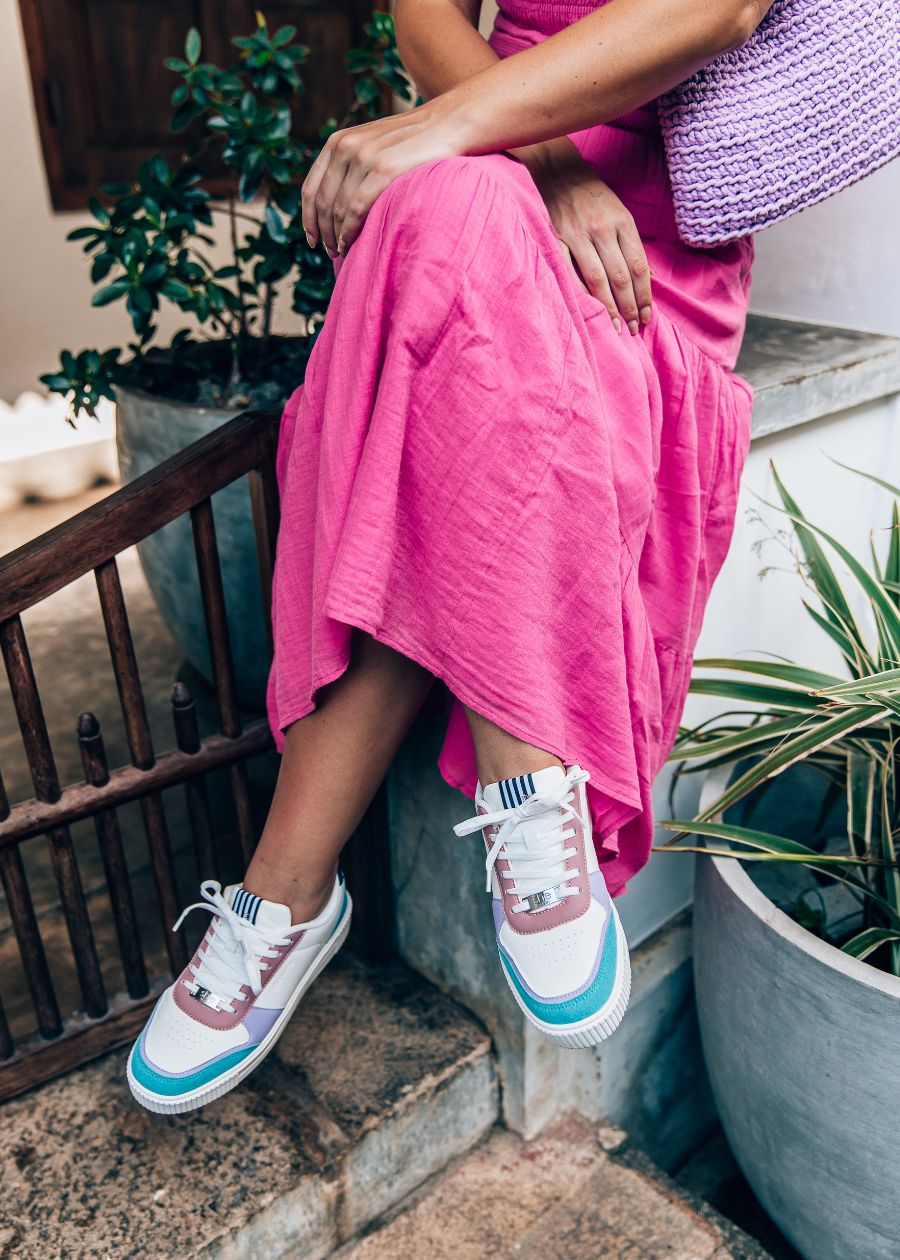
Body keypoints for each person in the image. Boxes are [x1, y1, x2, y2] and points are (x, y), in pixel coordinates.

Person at [127, 0, 765, 1114]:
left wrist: (488, 144)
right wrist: (543, 160)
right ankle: (529, 781)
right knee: (460, 203)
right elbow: (426, 15)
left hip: (643, 251)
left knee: (446, 252)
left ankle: (285, 897)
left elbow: (722, 8)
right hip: (485, 165)